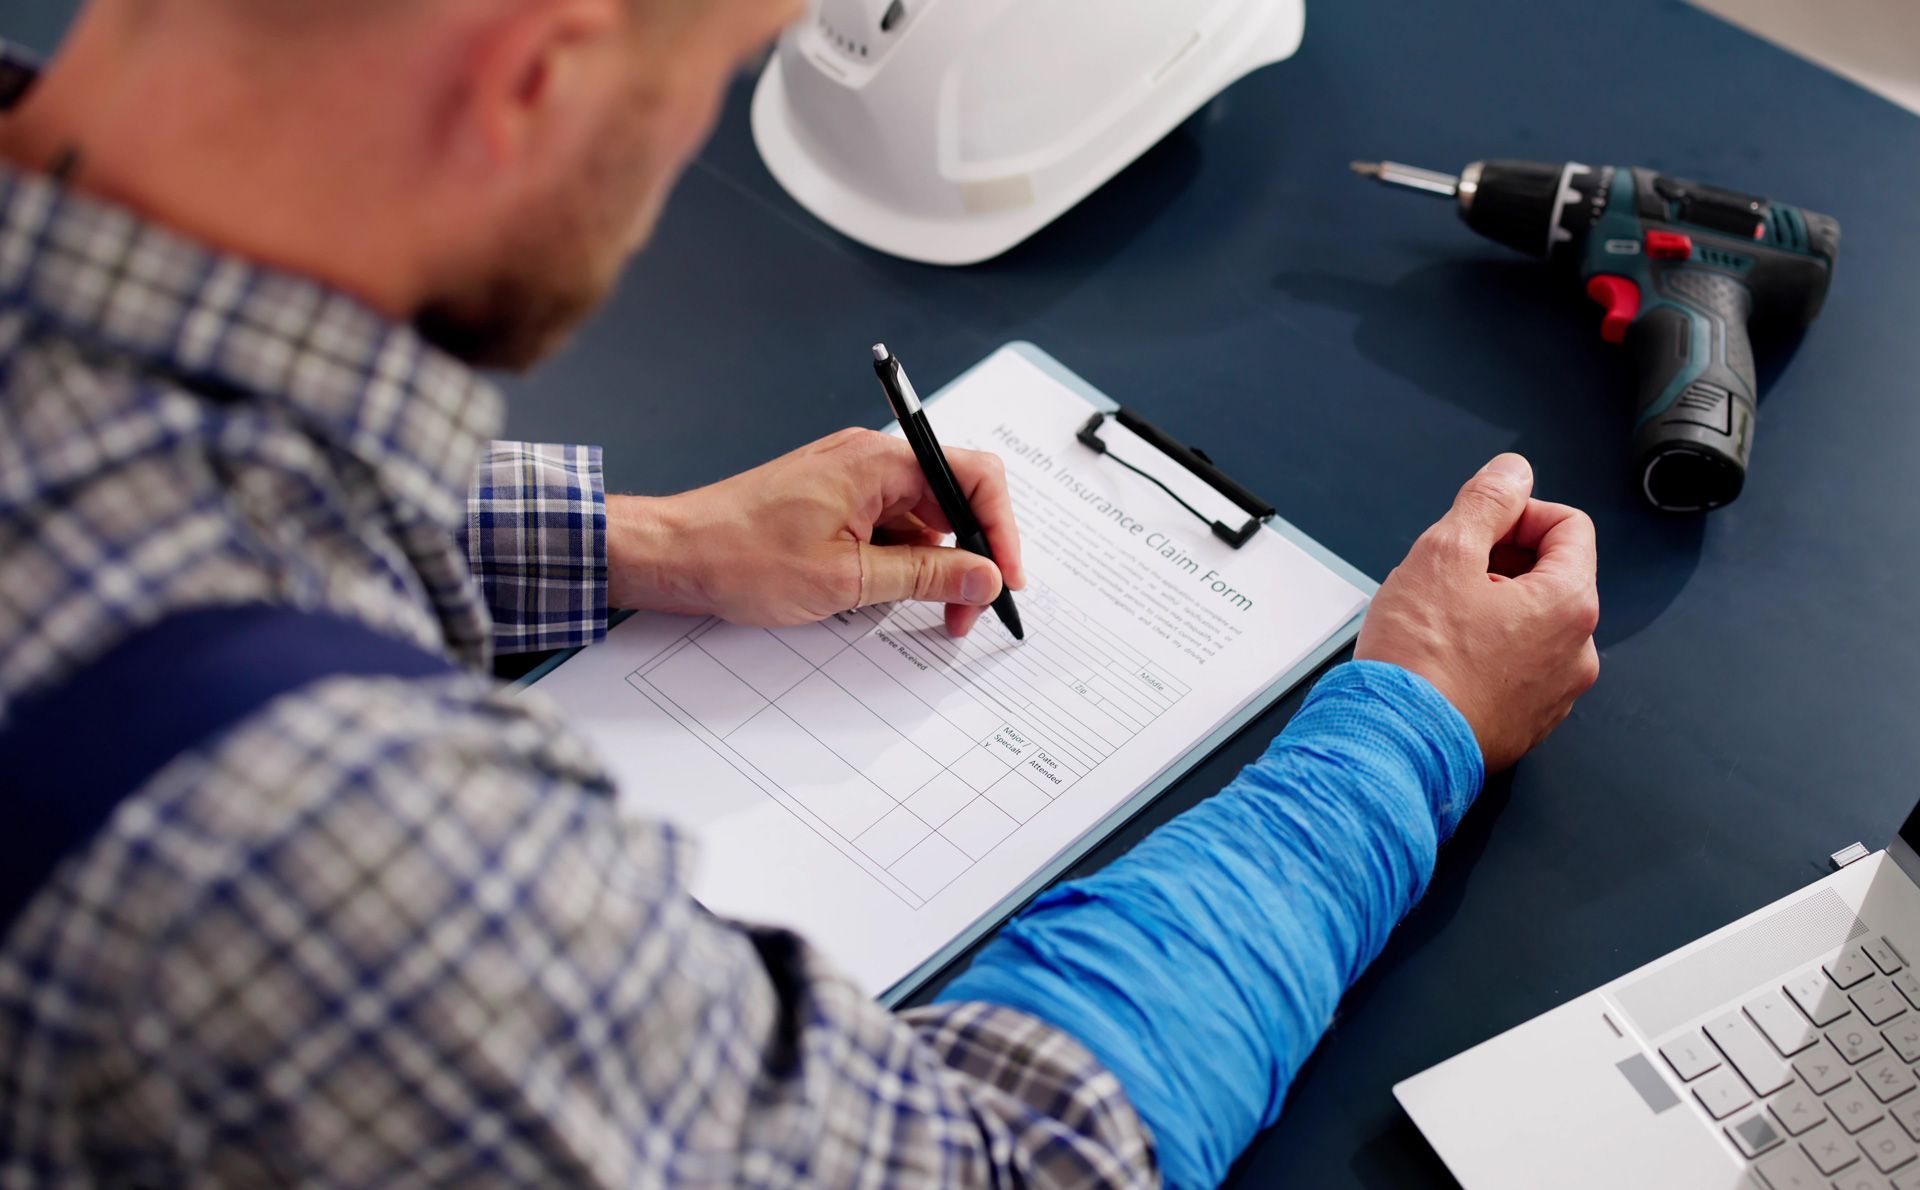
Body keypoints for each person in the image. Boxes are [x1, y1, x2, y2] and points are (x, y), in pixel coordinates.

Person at [0, 0, 1600, 1186]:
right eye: (712, 69)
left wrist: (633, 542)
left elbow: (126, 490)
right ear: (537, 75)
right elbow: (1000, 1163)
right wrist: (1403, 728)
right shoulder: (330, 842)